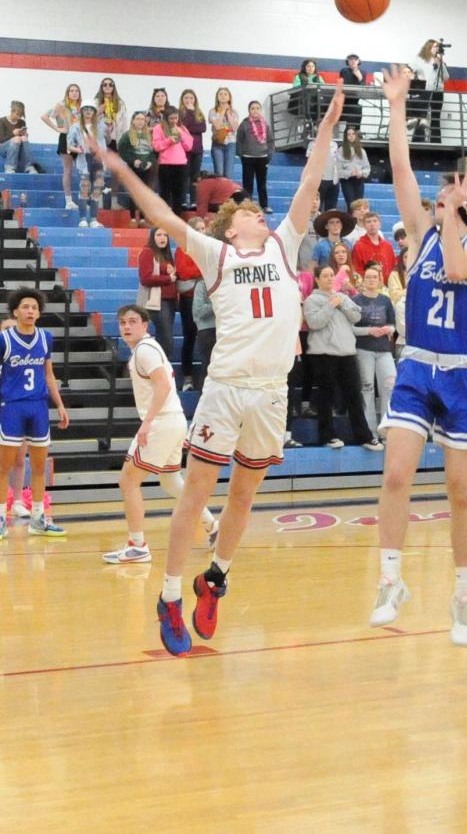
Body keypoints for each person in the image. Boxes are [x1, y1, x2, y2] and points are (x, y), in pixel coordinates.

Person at [99, 85, 346, 655]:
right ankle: (167, 595)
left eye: (261, 210)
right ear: (234, 228)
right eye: (252, 212)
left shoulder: (285, 246)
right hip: (227, 391)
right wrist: (120, 167)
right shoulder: (218, 255)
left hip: (270, 392)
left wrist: (328, 123)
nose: (263, 214)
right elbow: (160, 213)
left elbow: (309, 182)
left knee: (244, 498)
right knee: (195, 497)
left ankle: (214, 579)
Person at [369, 66, 467, 646]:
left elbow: (454, 268)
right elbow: (399, 169)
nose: (440, 193)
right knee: (396, 475)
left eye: (450, 191)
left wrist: (454, 217)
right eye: (442, 190)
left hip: (465, 376)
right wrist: (396, 105)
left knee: (461, 491)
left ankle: (464, 594)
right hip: (418, 365)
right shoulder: (422, 231)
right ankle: (390, 580)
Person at [102, 305, 218, 563]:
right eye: (122, 323)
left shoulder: (144, 350)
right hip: (173, 421)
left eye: (132, 321)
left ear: (145, 325)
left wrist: (147, 423)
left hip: (162, 422)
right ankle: (213, 526)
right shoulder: (146, 349)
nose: (126, 327)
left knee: (128, 481)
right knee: (170, 481)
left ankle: (137, 545)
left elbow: (164, 385)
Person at [0, 289, 70, 540]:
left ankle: (38, 519)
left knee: (39, 467)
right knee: (3, 466)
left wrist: (60, 405)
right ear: (15, 311)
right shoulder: (4, 340)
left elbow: (49, 374)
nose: (30, 311)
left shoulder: (45, 338)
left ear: (39, 313)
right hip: (12, 406)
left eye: (34, 307)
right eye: (25, 306)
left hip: (39, 407)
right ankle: (0, 520)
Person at [303, 266, 378, 448]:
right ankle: (328, 436)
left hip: (347, 353)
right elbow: (314, 323)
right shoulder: (311, 300)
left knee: (354, 395)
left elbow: (356, 317)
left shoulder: (343, 297)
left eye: (331, 275)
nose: (329, 278)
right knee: (326, 397)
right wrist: (331, 304)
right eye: (325, 276)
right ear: (317, 279)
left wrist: (341, 303)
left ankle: (364, 436)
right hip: (323, 354)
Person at [353, 265, 396, 441]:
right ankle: (370, 431)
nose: (371, 280)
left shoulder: (386, 301)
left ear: (379, 280)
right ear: (363, 280)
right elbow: (351, 328)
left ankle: (387, 429)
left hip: (384, 349)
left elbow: (393, 325)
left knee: (389, 387)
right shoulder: (356, 300)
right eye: (368, 277)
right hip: (364, 349)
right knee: (367, 389)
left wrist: (388, 329)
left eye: (375, 277)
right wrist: (369, 331)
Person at [40, 82, 83, 208]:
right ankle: (68, 201)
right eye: (71, 90)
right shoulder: (62, 105)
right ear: (67, 93)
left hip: (79, 140)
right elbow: (44, 116)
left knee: (83, 170)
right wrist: (57, 128)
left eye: (76, 90)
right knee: (68, 171)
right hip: (66, 138)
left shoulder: (82, 106)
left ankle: (84, 199)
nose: (74, 93)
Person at [175, 217, 206, 390]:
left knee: (206, 337)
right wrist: (201, 271)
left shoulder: (209, 247)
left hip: (206, 297)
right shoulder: (183, 248)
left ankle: (204, 379)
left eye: (204, 228)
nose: (203, 232)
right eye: (199, 228)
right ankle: (187, 378)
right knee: (190, 336)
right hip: (189, 297)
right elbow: (184, 271)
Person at [138, 226, 177, 359]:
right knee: (167, 340)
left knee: (164, 338)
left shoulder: (167, 254)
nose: (162, 238)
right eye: (159, 235)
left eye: (165, 235)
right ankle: (161, 370)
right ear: (152, 237)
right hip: (157, 302)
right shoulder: (147, 252)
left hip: (170, 300)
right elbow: (145, 278)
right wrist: (168, 278)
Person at [67, 101, 107, 227]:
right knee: (84, 189)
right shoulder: (75, 126)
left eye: (91, 109)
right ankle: (83, 218)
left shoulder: (99, 126)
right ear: (82, 111)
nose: (88, 111)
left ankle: (94, 219)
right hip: (84, 159)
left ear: (94, 112)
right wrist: (78, 149)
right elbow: (68, 145)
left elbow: (104, 144)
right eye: (86, 109)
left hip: (98, 159)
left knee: (97, 189)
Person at [118, 111, 157, 225]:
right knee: (134, 192)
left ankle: (144, 218)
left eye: (142, 119)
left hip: (147, 168)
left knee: (145, 193)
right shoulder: (127, 135)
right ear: (133, 121)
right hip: (133, 167)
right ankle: (133, 218)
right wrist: (133, 160)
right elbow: (122, 150)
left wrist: (150, 161)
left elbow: (154, 152)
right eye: (138, 119)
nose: (140, 122)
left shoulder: (149, 135)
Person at [152, 106, 193, 213]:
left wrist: (181, 137)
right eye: (171, 118)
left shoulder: (182, 128)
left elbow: (189, 147)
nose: (174, 121)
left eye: (176, 118)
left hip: (181, 164)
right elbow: (156, 146)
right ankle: (165, 218)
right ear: (166, 118)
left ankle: (177, 217)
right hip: (166, 164)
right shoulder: (158, 128)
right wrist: (169, 141)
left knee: (178, 194)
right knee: (165, 193)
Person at [236, 100, 274, 213]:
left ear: (260, 110)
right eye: (252, 108)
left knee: (262, 184)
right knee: (248, 184)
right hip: (248, 158)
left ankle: (264, 205)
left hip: (262, 157)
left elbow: (270, 141)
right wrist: (241, 154)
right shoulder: (244, 124)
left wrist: (269, 154)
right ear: (249, 111)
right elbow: (239, 140)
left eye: (257, 108)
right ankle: (247, 206)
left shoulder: (265, 124)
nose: (255, 110)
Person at [413, 39, 449, 144]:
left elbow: (446, 77)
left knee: (435, 117)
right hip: (425, 91)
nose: (436, 49)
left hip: (438, 91)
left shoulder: (439, 60)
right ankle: (418, 139)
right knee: (422, 116)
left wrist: (440, 64)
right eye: (434, 47)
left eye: (437, 47)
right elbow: (416, 73)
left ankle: (435, 141)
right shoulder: (421, 60)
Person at [178, 89, 207, 210]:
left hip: (197, 149)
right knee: (184, 176)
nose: (189, 100)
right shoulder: (180, 113)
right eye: (186, 98)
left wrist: (192, 125)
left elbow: (202, 128)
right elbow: (184, 127)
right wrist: (189, 112)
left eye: (191, 98)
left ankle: (194, 201)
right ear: (182, 100)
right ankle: (183, 201)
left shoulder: (199, 112)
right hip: (184, 149)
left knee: (195, 176)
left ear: (195, 100)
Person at [350, 211, 396, 280]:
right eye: (368, 222)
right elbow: (357, 270)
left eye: (375, 221)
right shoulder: (358, 246)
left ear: (380, 224)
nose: (372, 224)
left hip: (387, 287)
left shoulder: (388, 246)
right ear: (364, 226)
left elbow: (393, 268)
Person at [209, 87, 240, 179]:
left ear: (229, 97)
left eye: (225, 94)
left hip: (230, 143)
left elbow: (234, 128)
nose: (223, 96)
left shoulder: (234, 112)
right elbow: (217, 126)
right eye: (220, 94)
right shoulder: (213, 111)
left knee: (228, 174)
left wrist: (228, 113)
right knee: (219, 173)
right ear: (217, 97)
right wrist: (222, 111)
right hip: (217, 143)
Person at [337, 126, 370, 211]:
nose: (351, 136)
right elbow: (338, 170)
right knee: (351, 205)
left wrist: (361, 173)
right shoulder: (341, 150)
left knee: (359, 206)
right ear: (345, 136)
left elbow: (367, 167)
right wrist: (350, 173)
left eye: (353, 134)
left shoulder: (361, 151)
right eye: (349, 134)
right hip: (347, 180)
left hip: (359, 180)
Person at [0, 100, 37, 174]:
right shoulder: (2, 121)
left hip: (17, 147)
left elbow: (22, 139)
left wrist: (25, 135)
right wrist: (13, 134)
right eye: (17, 114)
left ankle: (29, 166)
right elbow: (1, 140)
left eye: (20, 115)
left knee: (24, 138)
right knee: (16, 139)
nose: (19, 117)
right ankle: (10, 167)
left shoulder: (22, 122)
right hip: (3, 148)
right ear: (12, 111)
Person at [94, 77, 129, 150]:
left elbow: (124, 123)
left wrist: (124, 140)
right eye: (105, 85)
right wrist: (98, 112)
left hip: (115, 138)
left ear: (113, 87)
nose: (107, 86)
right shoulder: (95, 102)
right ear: (101, 87)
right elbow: (89, 120)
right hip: (100, 138)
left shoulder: (120, 103)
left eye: (110, 85)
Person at [339, 54, 366, 131]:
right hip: (344, 101)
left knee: (357, 109)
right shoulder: (344, 71)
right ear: (348, 61)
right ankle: (350, 131)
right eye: (351, 59)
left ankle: (354, 131)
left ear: (358, 61)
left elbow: (363, 88)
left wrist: (359, 77)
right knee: (355, 110)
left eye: (355, 59)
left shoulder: (362, 72)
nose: (353, 61)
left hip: (355, 101)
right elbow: (345, 86)